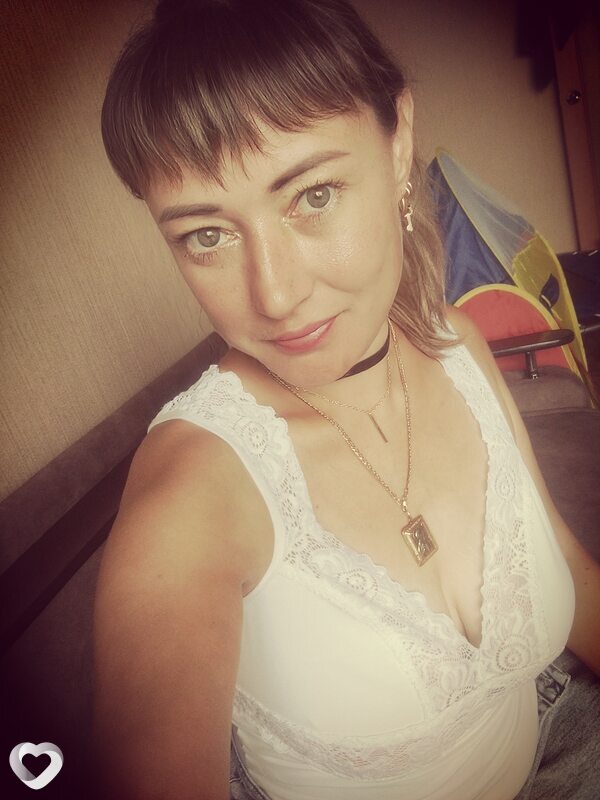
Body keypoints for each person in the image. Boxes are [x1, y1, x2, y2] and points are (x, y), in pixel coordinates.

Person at [92, 1, 600, 798]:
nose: (276, 295)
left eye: (314, 194)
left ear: (398, 143)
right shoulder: (190, 498)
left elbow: (569, 569)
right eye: (207, 235)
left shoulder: (460, 344)